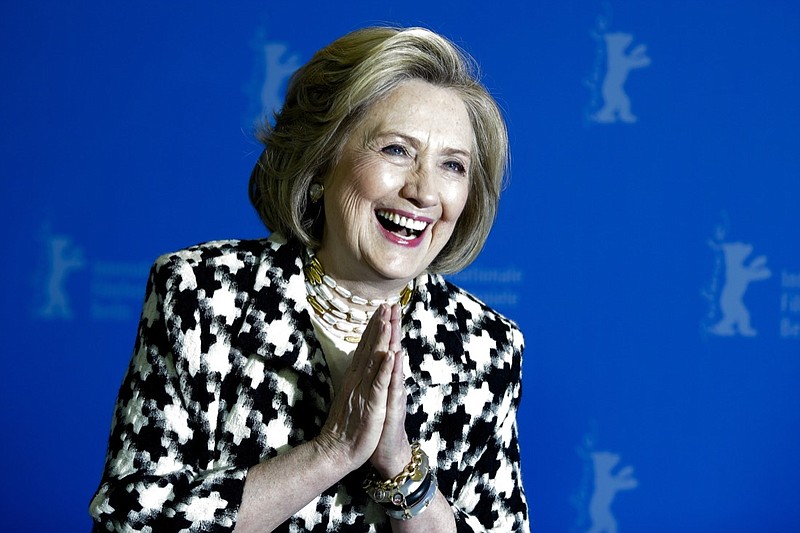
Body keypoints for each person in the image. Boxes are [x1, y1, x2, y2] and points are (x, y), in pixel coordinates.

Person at [89, 26, 529, 532]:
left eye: (452, 165)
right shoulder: (201, 296)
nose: (425, 192)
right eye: (396, 150)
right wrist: (331, 452)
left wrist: (402, 473)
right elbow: (131, 520)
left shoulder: (485, 347)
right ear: (322, 163)